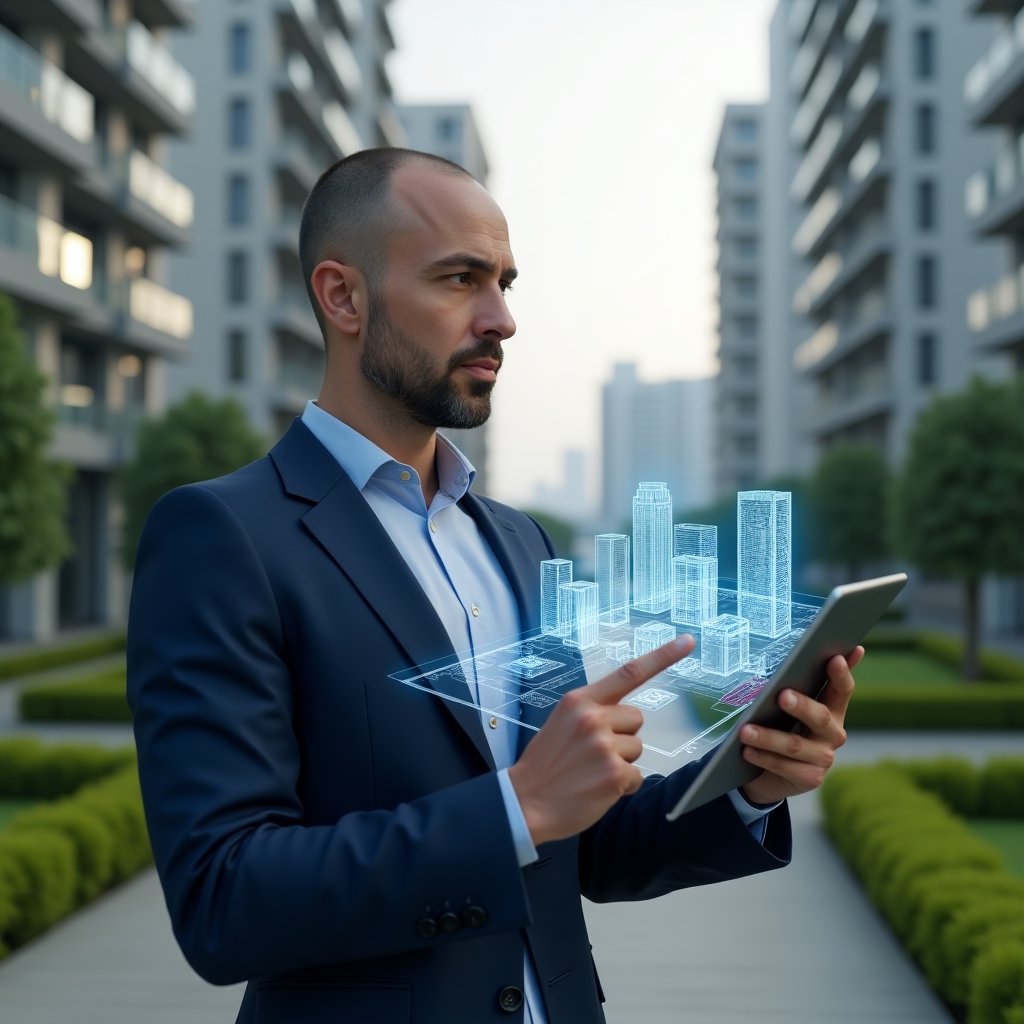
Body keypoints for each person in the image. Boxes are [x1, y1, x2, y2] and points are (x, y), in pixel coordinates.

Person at [127, 148, 862, 1024]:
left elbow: (579, 845)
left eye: (506, 282)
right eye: (459, 280)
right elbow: (224, 898)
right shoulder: (222, 536)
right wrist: (516, 805)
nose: (503, 319)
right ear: (342, 296)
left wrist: (749, 784)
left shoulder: (516, 541)